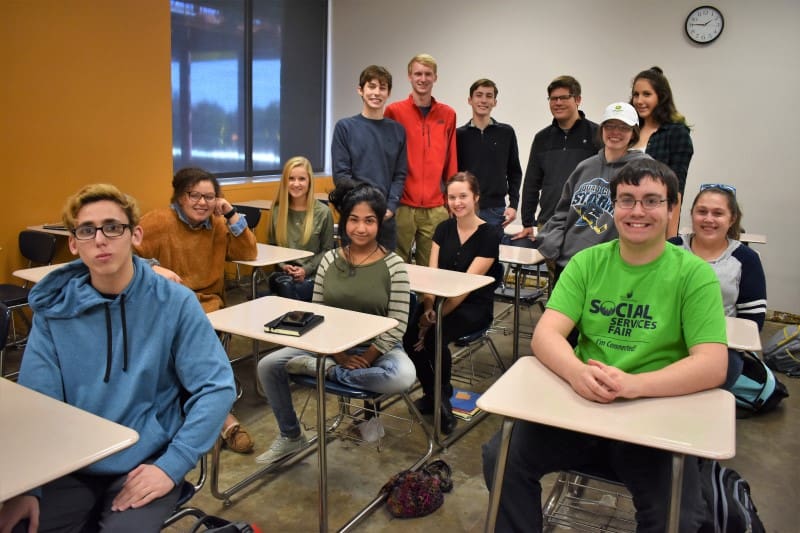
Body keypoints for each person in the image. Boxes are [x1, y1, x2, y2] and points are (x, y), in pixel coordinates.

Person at [482, 159, 728, 532]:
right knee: (501, 455)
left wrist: (635, 385)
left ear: (672, 208)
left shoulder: (693, 275)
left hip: (652, 413)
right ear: (613, 208)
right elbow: (546, 335)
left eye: (651, 201)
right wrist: (576, 372)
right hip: (581, 407)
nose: (638, 211)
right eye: (626, 200)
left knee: (677, 516)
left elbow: (712, 364)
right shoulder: (587, 263)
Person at [0, 184, 236, 533]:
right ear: (73, 243)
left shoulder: (174, 302)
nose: (100, 239)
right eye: (86, 230)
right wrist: (28, 485)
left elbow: (216, 388)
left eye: (113, 227)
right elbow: (39, 402)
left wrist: (173, 465)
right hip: (68, 464)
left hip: (145, 460)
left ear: (135, 235)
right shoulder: (55, 311)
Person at [255, 181, 415, 465]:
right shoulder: (329, 259)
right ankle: (291, 435)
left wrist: (366, 356)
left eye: (369, 221)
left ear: (379, 224)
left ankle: (325, 372)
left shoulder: (395, 266)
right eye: (354, 220)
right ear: (344, 221)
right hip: (329, 347)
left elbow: (398, 323)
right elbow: (318, 312)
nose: (361, 228)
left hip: (377, 350)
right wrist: (337, 355)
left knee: (402, 376)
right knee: (267, 365)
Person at [134, 167, 257, 454]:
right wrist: (154, 267)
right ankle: (222, 420)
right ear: (179, 196)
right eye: (194, 196)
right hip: (166, 305)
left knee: (195, 347)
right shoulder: (157, 221)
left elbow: (248, 253)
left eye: (210, 197)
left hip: (208, 305)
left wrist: (230, 213)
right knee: (180, 347)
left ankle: (206, 419)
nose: (202, 203)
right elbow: (124, 253)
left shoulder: (217, 223)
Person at [403, 172, 501, 435]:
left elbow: (464, 288)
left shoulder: (490, 234)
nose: (457, 202)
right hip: (436, 303)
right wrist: (427, 309)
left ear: (476, 197)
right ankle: (432, 392)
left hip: (472, 305)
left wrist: (434, 318)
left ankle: (442, 401)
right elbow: (432, 276)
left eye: (463, 196)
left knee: (435, 336)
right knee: (409, 337)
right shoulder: (443, 228)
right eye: (452, 197)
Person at [536, 102, 649, 282]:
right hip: (569, 264)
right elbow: (562, 212)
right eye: (610, 126)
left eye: (623, 127)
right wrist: (553, 244)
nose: (615, 132)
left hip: (610, 269)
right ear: (602, 129)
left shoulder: (644, 169)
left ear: (633, 132)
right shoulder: (585, 167)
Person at [670, 184, 767, 389]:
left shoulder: (746, 259)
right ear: (692, 214)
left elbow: (753, 322)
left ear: (731, 219)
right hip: (666, 338)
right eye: (702, 211)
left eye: (718, 213)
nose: (708, 219)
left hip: (719, 346)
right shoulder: (670, 248)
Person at [385, 53, 458, 267]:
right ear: (409, 76)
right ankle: (401, 302)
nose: (423, 79)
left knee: (433, 267)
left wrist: (450, 200)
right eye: (418, 73)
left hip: (436, 207)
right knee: (397, 265)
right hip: (402, 205)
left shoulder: (448, 114)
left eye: (428, 74)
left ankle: (427, 303)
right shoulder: (394, 112)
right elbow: (388, 159)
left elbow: (451, 158)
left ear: (435, 77)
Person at [512, 75, 600, 247]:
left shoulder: (596, 134)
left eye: (564, 97)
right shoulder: (542, 138)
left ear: (578, 99)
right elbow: (531, 182)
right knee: (554, 274)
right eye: (553, 98)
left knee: (585, 273)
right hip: (550, 222)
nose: (558, 103)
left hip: (586, 223)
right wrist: (528, 222)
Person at [331, 65, 407, 251]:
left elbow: (399, 174)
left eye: (382, 88)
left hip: (385, 218)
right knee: (353, 273)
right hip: (355, 219)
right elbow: (341, 176)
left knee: (385, 274)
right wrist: (363, 212)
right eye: (371, 86)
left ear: (388, 93)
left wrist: (388, 208)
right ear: (360, 90)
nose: (376, 92)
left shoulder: (397, 131)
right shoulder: (345, 127)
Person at [630, 66, 694, 238]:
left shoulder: (677, 133)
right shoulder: (629, 130)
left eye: (646, 94)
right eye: (636, 94)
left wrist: (671, 238)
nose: (639, 100)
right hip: (624, 215)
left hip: (654, 218)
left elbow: (677, 190)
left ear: (661, 96)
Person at [456, 78, 522, 237]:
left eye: (489, 96)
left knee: (492, 259)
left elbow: (514, 172)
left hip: (495, 210)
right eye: (479, 95)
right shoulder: (458, 135)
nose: (483, 100)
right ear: (470, 100)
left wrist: (513, 205)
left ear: (495, 102)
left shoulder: (506, 133)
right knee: (463, 258)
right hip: (465, 208)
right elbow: (453, 173)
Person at [267, 156, 334, 301]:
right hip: (283, 275)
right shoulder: (277, 211)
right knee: (284, 285)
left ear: (309, 181)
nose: (296, 184)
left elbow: (327, 250)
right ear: (285, 181)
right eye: (291, 179)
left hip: (312, 277)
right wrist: (283, 265)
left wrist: (306, 269)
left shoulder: (323, 212)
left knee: (289, 291)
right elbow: (272, 246)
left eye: (302, 179)